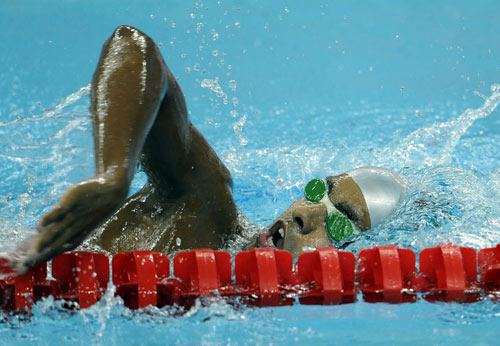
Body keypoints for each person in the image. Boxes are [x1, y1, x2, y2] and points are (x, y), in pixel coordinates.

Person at [11, 26, 406, 273]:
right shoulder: (204, 205)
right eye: (320, 191)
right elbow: (133, 46)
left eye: (341, 222)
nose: (305, 213)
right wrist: (113, 177)